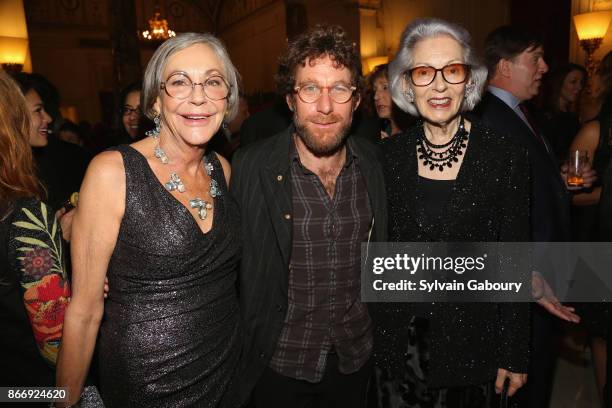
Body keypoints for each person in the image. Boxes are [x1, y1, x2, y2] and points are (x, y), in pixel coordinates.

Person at [56, 33, 243, 407]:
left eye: (212, 81)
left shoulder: (222, 169)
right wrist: (63, 401)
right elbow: (85, 311)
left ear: (227, 98)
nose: (198, 96)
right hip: (146, 383)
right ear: (155, 101)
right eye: (179, 82)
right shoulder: (113, 171)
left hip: (227, 371)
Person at [371, 18, 529, 407]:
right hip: (398, 351)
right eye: (424, 72)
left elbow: (513, 260)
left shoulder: (504, 157)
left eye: (452, 71)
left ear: (469, 80)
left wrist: (514, 352)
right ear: (406, 84)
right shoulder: (385, 159)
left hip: (474, 347)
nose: (439, 85)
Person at [230, 25, 388, 407]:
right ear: (290, 99)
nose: (325, 106)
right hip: (279, 365)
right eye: (310, 89)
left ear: (356, 100)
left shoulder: (376, 163)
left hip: (356, 360)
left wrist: (520, 273)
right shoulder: (251, 167)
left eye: (339, 89)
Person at [473, 25, 592, 408]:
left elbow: (523, 183)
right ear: (504, 66)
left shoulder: (521, 112)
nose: (543, 67)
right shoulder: (488, 117)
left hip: (540, 273)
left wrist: (561, 184)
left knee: (537, 375)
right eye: (534, 58)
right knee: (518, 385)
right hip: (520, 276)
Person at [0, 71, 70, 389]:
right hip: (32, 389)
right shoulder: (25, 216)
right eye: (33, 111)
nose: (49, 119)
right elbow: (57, 345)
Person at [12, 73, 91, 210]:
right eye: (38, 110)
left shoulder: (50, 163)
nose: (48, 118)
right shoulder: (9, 176)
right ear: (14, 116)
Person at [541, 63, 587, 161]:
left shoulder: (572, 116)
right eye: (573, 82)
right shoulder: (545, 116)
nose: (579, 87)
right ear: (559, 83)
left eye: (581, 82)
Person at [364, 63, 412, 139]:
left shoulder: (416, 132)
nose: (376, 97)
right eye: (375, 90)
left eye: (385, 87)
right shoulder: (382, 132)